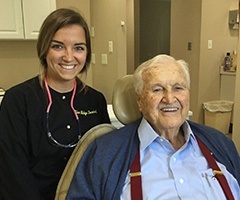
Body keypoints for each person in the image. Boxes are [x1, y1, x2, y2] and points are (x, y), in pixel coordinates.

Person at [67, 54, 240, 199]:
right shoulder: (105, 153)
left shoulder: (221, 143)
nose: (170, 98)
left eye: (178, 88)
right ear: (139, 101)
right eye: (157, 89)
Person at [0, 8, 110, 200]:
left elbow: (103, 163)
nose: (69, 57)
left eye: (78, 47)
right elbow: (12, 172)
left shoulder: (95, 101)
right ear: (44, 49)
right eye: (58, 46)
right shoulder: (17, 101)